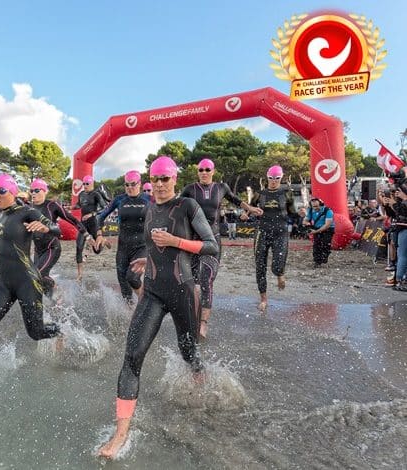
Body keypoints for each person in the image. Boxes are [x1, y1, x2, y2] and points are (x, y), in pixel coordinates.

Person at [98, 157, 218, 459]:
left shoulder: (188, 206)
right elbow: (156, 248)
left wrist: (175, 240)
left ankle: (200, 381)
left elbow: (211, 245)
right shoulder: (150, 208)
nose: (161, 184)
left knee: (188, 351)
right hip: (152, 293)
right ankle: (120, 434)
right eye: (156, 179)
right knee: (132, 356)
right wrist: (146, 259)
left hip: (183, 292)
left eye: (166, 179)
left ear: (175, 179)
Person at [0, 174, 62, 380]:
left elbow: (56, 229)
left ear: (13, 191)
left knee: (35, 333)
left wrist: (45, 227)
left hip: (27, 281)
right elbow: (0, 240)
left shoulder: (26, 211)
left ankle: (60, 331)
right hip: (3, 284)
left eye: (1, 191)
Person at [180, 158, 262, 339]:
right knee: (192, 282)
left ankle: (203, 324)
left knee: (207, 278)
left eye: (207, 169)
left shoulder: (221, 187)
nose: (203, 172)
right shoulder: (189, 189)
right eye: (200, 169)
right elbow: (176, 207)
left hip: (214, 239)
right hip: (193, 239)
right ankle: (193, 315)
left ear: (213, 171)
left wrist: (251, 209)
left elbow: (235, 199)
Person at [242, 165, 296, 311]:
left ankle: (280, 273)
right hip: (262, 231)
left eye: (277, 178)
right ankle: (264, 299)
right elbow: (250, 208)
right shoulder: (260, 194)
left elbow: (292, 212)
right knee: (260, 265)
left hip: (281, 232)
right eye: (271, 178)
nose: (273, 181)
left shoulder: (287, 193)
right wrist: (246, 214)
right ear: (267, 178)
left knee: (278, 264)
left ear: (281, 178)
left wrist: (301, 216)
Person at [97, 170, 151, 304]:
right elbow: (100, 217)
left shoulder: (149, 199)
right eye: (127, 185)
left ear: (140, 184)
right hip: (123, 248)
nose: (130, 188)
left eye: (133, 184)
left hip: (142, 246)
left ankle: (144, 303)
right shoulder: (119, 199)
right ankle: (130, 313)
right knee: (124, 287)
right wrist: (99, 234)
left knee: (132, 278)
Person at [30, 177, 87, 297]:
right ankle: (56, 304)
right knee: (39, 281)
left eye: (36, 190)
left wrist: (86, 234)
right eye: (31, 191)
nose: (33, 193)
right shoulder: (29, 208)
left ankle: (59, 289)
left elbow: (72, 219)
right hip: (37, 250)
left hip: (52, 248)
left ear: (44, 191)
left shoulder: (52, 205)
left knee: (38, 275)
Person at [74, 175, 108, 280]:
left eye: (87, 184)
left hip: (94, 223)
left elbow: (104, 208)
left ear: (92, 184)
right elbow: (79, 205)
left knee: (97, 251)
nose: (85, 186)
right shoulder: (81, 194)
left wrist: (92, 214)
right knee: (79, 247)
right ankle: (79, 274)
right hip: (83, 224)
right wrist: (71, 207)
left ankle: (103, 240)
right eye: (83, 184)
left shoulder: (96, 194)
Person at [303, 197, 335, 267]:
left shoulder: (328, 211)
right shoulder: (310, 210)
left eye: (317, 206)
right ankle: (317, 261)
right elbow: (305, 220)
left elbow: (327, 225)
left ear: (321, 204)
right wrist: (307, 223)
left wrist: (315, 231)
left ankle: (324, 257)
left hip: (328, 230)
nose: (315, 208)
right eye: (313, 206)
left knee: (325, 244)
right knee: (316, 245)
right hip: (316, 228)